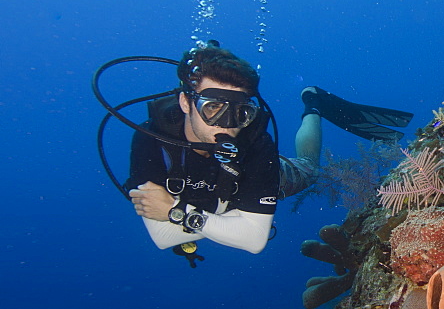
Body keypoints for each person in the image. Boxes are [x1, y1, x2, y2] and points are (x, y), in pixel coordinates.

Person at [126, 42, 413, 255]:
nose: (227, 126)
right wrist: (232, 221)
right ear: (186, 103)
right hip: (235, 194)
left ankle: (313, 105)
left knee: (309, 169)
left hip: (252, 176)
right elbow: (162, 236)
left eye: (240, 112)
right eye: (213, 108)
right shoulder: (151, 141)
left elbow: (253, 240)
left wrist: (178, 212)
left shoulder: (254, 141)